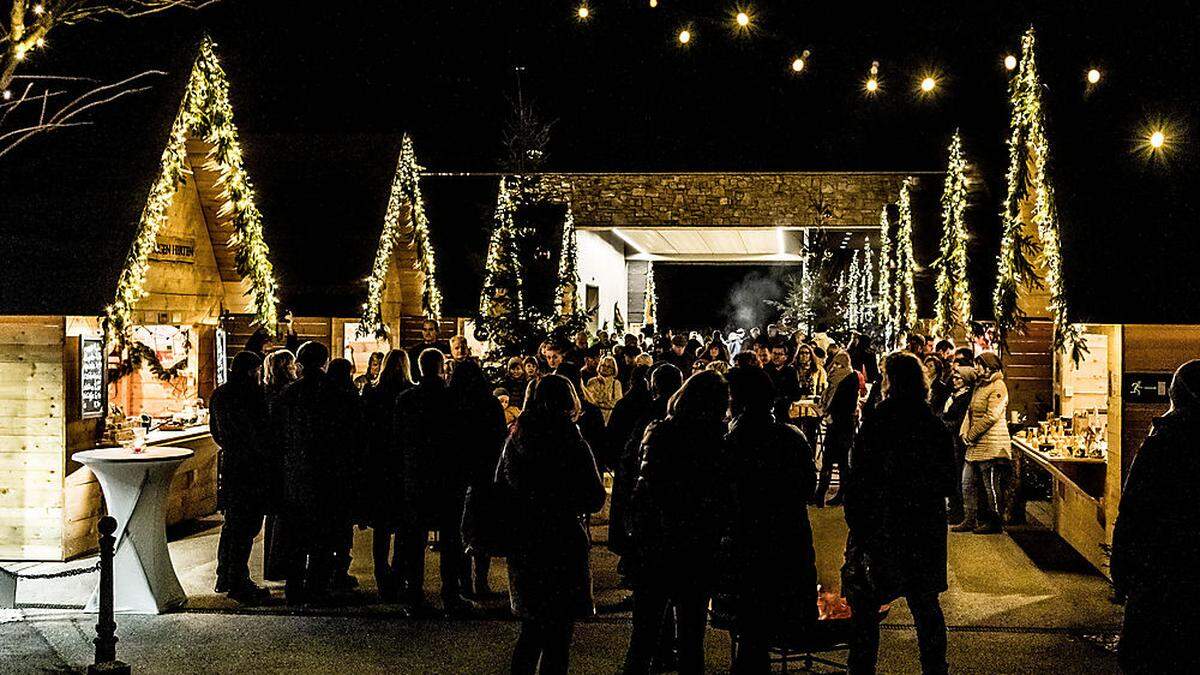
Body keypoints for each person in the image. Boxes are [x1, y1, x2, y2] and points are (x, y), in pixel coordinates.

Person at [843, 352, 956, 675]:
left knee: (866, 609)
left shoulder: (879, 421)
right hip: (922, 528)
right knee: (926, 606)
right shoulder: (932, 424)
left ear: (891, 380)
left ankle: (862, 669)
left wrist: (859, 522)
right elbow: (947, 481)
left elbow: (860, 475)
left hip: (883, 526)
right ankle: (935, 669)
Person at [496, 374, 607, 675]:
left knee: (531, 629)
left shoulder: (516, 440)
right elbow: (595, 497)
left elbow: (500, 488)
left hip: (526, 537)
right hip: (562, 538)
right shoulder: (572, 442)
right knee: (559, 634)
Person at [624, 371, 730, 675]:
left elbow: (644, 487)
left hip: (656, 543)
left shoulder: (658, 432)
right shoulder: (714, 442)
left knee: (644, 635)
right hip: (695, 545)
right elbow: (717, 497)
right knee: (691, 636)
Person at [721, 366, 818, 673]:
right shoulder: (792, 437)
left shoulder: (734, 443)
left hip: (749, 546)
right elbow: (808, 488)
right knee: (769, 627)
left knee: (752, 632)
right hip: (789, 541)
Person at [1111, 360, 1200, 675]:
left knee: (1148, 654)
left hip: (1158, 569)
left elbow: (1133, 509)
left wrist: (1121, 571)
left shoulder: (1162, 440)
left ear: (1176, 394)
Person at [273, 341, 361, 605]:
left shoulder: (287, 395)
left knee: (296, 535)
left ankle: (294, 587)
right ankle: (317, 588)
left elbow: (276, 436)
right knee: (324, 535)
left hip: (295, 475)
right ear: (324, 362)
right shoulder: (339, 393)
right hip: (329, 475)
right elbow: (352, 435)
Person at [394, 348, 476, 616]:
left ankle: (414, 595)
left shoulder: (406, 399)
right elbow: (462, 439)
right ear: (442, 367)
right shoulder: (454, 398)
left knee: (414, 539)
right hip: (447, 476)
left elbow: (398, 438)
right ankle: (450, 594)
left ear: (420, 368)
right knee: (451, 538)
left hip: (416, 475)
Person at [209, 350, 272, 604]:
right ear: (251, 371)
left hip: (231, 464)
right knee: (246, 527)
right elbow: (260, 431)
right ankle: (239, 581)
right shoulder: (252, 395)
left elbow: (215, 430)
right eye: (258, 371)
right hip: (251, 468)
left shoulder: (220, 393)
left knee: (232, 525)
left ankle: (224, 575)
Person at [363, 349, 414, 601]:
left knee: (381, 528)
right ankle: (399, 574)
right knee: (405, 525)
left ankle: (382, 577)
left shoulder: (372, 392)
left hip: (379, 464)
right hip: (403, 465)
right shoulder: (410, 393)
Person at [953, 352, 1011, 535]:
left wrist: (971, 434)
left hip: (992, 444)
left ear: (989, 367)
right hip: (975, 444)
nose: (976, 368)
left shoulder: (998, 386)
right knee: (967, 482)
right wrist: (964, 432)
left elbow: (991, 416)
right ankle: (970, 518)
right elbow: (971, 411)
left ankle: (995, 521)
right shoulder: (980, 385)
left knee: (991, 484)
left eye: (979, 365)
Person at [262, 349, 297, 582]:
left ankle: (273, 565)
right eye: (292, 365)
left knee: (274, 515)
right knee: (286, 515)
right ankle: (282, 564)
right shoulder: (288, 394)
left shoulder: (265, 392)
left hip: (270, 460)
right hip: (285, 459)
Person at [814, 351, 858, 508]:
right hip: (835, 426)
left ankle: (840, 494)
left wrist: (833, 414)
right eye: (836, 364)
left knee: (840, 462)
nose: (837, 367)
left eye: (841, 365)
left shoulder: (850, 379)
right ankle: (821, 494)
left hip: (843, 426)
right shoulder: (834, 380)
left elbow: (848, 404)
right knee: (830, 460)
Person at [940, 365, 976, 525]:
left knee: (958, 475)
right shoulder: (954, 395)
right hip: (949, 439)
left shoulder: (966, 397)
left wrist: (943, 423)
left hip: (957, 440)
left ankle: (959, 512)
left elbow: (960, 420)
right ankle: (954, 509)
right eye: (954, 378)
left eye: (958, 378)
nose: (954, 381)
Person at [585, 355, 623, 424]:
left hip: (611, 417)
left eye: (609, 366)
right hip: (594, 417)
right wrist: (606, 402)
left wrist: (600, 401)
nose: (605, 368)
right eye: (603, 365)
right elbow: (590, 400)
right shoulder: (592, 381)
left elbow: (617, 402)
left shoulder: (616, 383)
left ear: (613, 369)